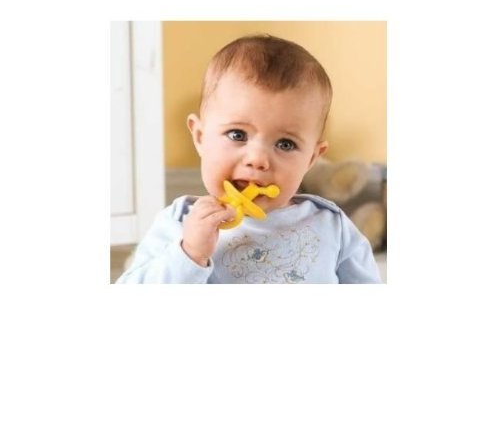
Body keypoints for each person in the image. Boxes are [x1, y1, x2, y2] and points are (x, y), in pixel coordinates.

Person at [116, 34, 381, 284]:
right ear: (200, 137)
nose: (257, 159)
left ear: (311, 159)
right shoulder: (180, 222)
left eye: (285, 144)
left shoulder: (333, 227)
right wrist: (189, 253)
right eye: (237, 134)